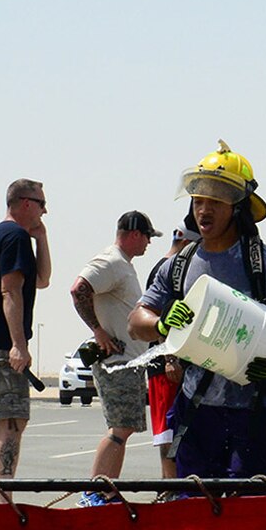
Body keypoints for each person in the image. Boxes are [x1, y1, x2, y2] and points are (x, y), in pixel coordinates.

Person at [128, 143, 266, 478]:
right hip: (198, 411)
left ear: (238, 207)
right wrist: (163, 324)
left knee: (248, 513)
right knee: (196, 510)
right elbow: (137, 321)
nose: (204, 209)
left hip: (259, 412)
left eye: (215, 201)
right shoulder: (179, 265)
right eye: (198, 200)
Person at [0, 178, 52, 501]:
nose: (45, 211)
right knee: (13, 420)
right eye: (42, 204)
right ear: (26, 203)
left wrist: (42, 238)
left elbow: (41, 280)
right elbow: (10, 290)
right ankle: (4, 500)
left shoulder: (0, 235)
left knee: (1, 421)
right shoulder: (14, 236)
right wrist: (19, 344)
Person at [71, 210, 158, 496]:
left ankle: (106, 493)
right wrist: (98, 331)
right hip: (117, 363)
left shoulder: (122, 264)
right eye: (147, 236)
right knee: (119, 429)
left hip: (128, 362)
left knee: (124, 429)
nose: (148, 243)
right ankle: (94, 493)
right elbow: (79, 289)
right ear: (134, 234)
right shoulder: (111, 261)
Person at [143, 216, 196, 480]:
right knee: (168, 433)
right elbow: (159, 320)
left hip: (180, 363)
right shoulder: (168, 270)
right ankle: (170, 490)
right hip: (165, 366)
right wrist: (170, 359)